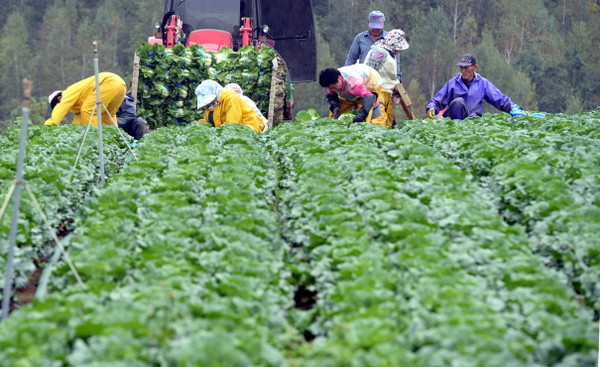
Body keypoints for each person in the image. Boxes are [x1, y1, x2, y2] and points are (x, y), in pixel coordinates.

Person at [426, 54, 527, 119]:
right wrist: (432, 108)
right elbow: (437, 100)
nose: (463, 70)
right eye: (461, 67)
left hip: (474, 119)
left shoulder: (483, 83)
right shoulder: (453, 83)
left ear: (474, 67)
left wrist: (512, 108)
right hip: (454, 120)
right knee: (458, 102)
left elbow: (498, 98)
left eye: (466, 67)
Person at [364, 29, 410, 126]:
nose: (399, 50)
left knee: (388, 121)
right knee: (378, 120)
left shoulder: (390, 54)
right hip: (377, 92)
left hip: (387, 92)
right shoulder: (379, 52)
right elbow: (369, 70)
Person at [45, 72, 126, 126]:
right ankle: (116, 137)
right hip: (121, 86)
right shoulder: (81, 102)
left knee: (88, 110)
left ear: (59, 98)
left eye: (55, 105)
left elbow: (63, 106)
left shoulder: (67, 93)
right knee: (108, 115)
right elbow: (78, 122)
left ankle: (96, 138)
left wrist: (48, 126)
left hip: (109, 82)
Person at [318, 63, 387, 125]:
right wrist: (335, 106)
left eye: (334, 87)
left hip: (370, 82)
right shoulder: (331, 82)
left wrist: (362, 114)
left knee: (366, 113)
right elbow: (331, 95)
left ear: (339, 79)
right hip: (351, 85)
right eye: (331, 88)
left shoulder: (353, 83)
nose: (334, 89)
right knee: (335, 114)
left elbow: (368, 98)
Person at [345, 11, 403, 83]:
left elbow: (396, 61)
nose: (375, 30)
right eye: (373, 27)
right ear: (368, 23)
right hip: (364, 78)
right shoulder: (360, 38)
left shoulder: (391, 40)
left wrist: (398, 78)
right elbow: (351, 58)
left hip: (384, 80)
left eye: (378, 28)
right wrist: (346, 75)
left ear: (383, 24)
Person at [195, 80, 265, 133]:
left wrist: (217, 132)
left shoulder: (231, 98)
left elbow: (233, 123)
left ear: (216, 92)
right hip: (231, 131)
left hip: (249, 128)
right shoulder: (211, 105)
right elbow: (210, 122)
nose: (209, 102)